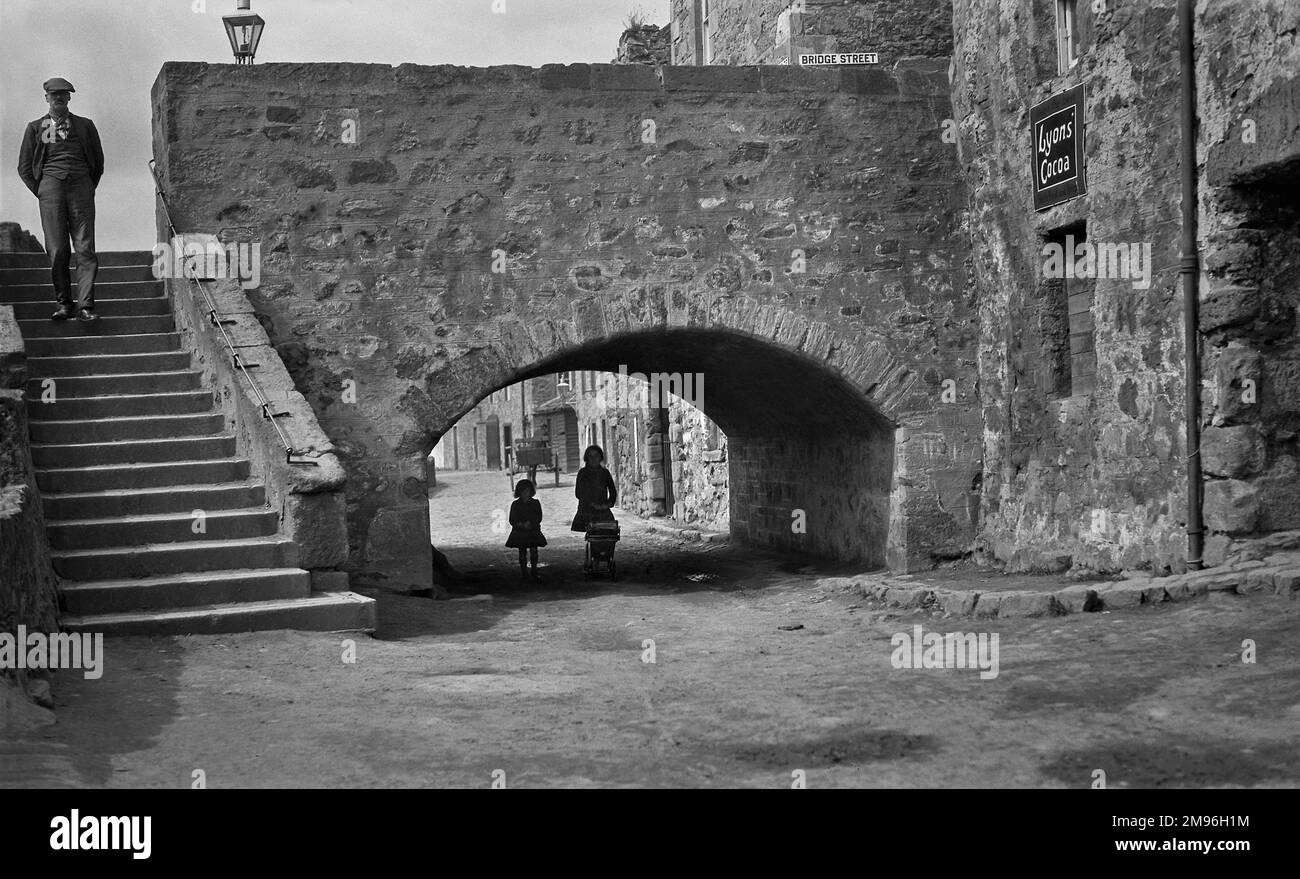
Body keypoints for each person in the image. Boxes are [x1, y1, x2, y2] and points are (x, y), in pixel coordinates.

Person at [16, 77, 104, 322]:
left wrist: (86, 185)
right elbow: (24, 167)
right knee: (57, 249)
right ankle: (64, 303)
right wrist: (43, 190)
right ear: (46, 98)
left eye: (63, 95)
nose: (58, 98)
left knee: (85, 247)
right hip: (50, 190)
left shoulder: (85, 126)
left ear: (69, 98)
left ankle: (86, 306)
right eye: (54, 95)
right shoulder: (36, 128)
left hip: (81, 188)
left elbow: (97, 163)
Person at [505, 479, 546, 579]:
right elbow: (512, 519)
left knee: (534, 551)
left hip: (533, 530)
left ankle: (534, 570)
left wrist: (530, 523)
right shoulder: (515, 504)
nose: (525, 493)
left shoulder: (535, 503)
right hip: (520, 531)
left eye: (527, 490)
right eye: (522, 491)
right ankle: (524, 572)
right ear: (519, 492)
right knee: (522, 552)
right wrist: (520, 524)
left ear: (531, 491)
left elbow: (538, 517)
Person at [570, 444, 617, 532]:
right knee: (592, 532)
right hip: (586, 510)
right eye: (590, 456)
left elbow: (612, 491)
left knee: (610, 531)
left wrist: (608, 504)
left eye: (596, 456)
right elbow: (579, 493)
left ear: (600, 457)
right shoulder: (583, 473)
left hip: (602, 510)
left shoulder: (605, 473)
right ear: (587, 458)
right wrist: (591, 504)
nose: (593, 459)